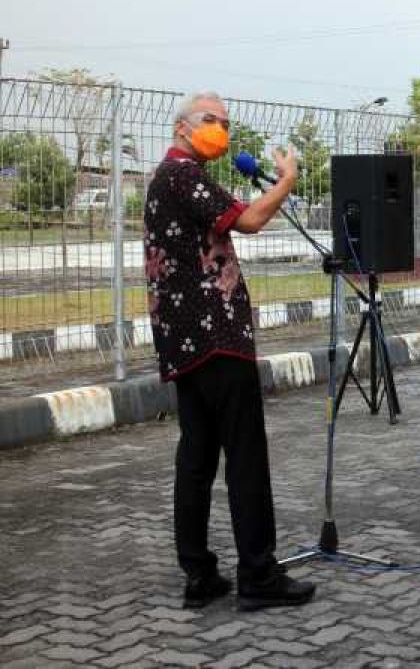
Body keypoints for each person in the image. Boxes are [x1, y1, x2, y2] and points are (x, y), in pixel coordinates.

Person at [144, 91, 316, 612]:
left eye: (224, 121)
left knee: (196, 455)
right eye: (209, 119)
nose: (220, 128)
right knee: (244, 455)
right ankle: (258, 575)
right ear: (181, 128)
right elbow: (249, 220)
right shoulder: (182, 175)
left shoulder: (170, 176)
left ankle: (199, 574)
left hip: (185, 340)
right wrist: (286, 180)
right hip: (215, 336)